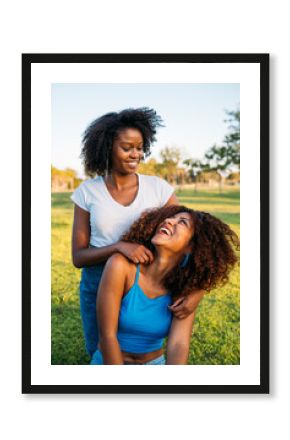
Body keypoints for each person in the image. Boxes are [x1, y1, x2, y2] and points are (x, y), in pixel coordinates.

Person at [71, 107, 204, 359]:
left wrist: (197, 291)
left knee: (143, 344)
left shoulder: (158, 189)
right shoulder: (87, 192)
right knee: (102, 349)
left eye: (140, 147)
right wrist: (119, 247)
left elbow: (194, 240)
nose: (136, 154)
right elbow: (78, 257)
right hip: (98, 280)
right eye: (127, 147)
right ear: (107, 147)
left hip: (145, 279)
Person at [92, 205, 239, 365]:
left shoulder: (187, 287)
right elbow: (107, 336)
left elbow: (179, 344)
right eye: (170, 218)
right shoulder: (120, 265)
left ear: (191, 247)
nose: (168, 221)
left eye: (182, 222)